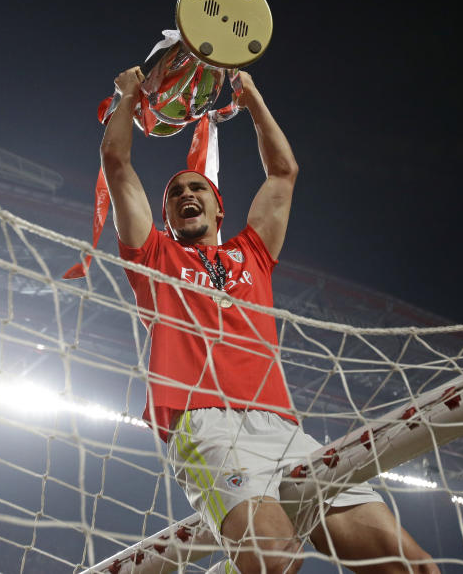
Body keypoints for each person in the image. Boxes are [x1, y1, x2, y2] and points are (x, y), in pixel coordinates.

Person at [101, 66, 438, 574]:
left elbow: (283, 172)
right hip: (205, 424)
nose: (187, 194)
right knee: (276, 560)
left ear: (219, 208)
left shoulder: (252, 253)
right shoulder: (153, 258)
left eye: (198, 189)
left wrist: (251, 95)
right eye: (175, 194)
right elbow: (118, 162)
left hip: (283, 427)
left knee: (414, 569)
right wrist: (129, 96)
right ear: (166, 217)